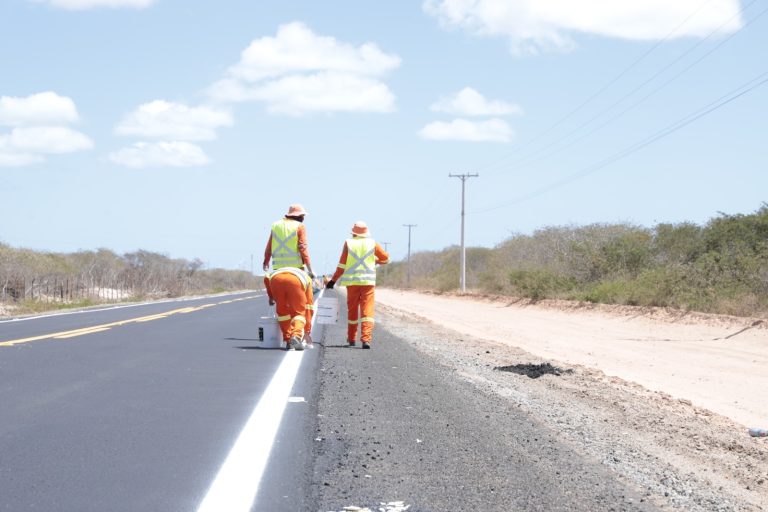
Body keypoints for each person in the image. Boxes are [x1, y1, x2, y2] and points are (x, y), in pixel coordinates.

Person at [326, 221, 389, 349]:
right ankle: (366, 339)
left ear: (353, 233)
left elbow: (342, 265)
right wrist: (375, 260)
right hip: (368, 283)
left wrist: (333, 281)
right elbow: (386, 259)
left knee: (353, 310)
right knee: (367, 311)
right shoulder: (372, 243)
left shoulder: (348, 243)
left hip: (352, 282)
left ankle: (351, 338)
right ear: (366, 233)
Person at [263, 267, 314, 350]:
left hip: (276, 280)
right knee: (299, 313)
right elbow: (309, 307)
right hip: (295, 281)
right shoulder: (307, 279)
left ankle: (288, 341)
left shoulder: (283, 270)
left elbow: (266, 278)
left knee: (283, 313)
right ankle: (296, 336)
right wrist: (307, 331)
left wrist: (271, 297)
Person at [263, 203, 315, 277]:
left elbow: (269, 247)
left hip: (278, 269)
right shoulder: (300, 226)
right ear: (298, 215)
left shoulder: (275, 225)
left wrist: (266, 262)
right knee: (308, 286)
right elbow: (303, 249)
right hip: (297, 269)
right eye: (302, 216)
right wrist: (310, 270)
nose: (303, 218)